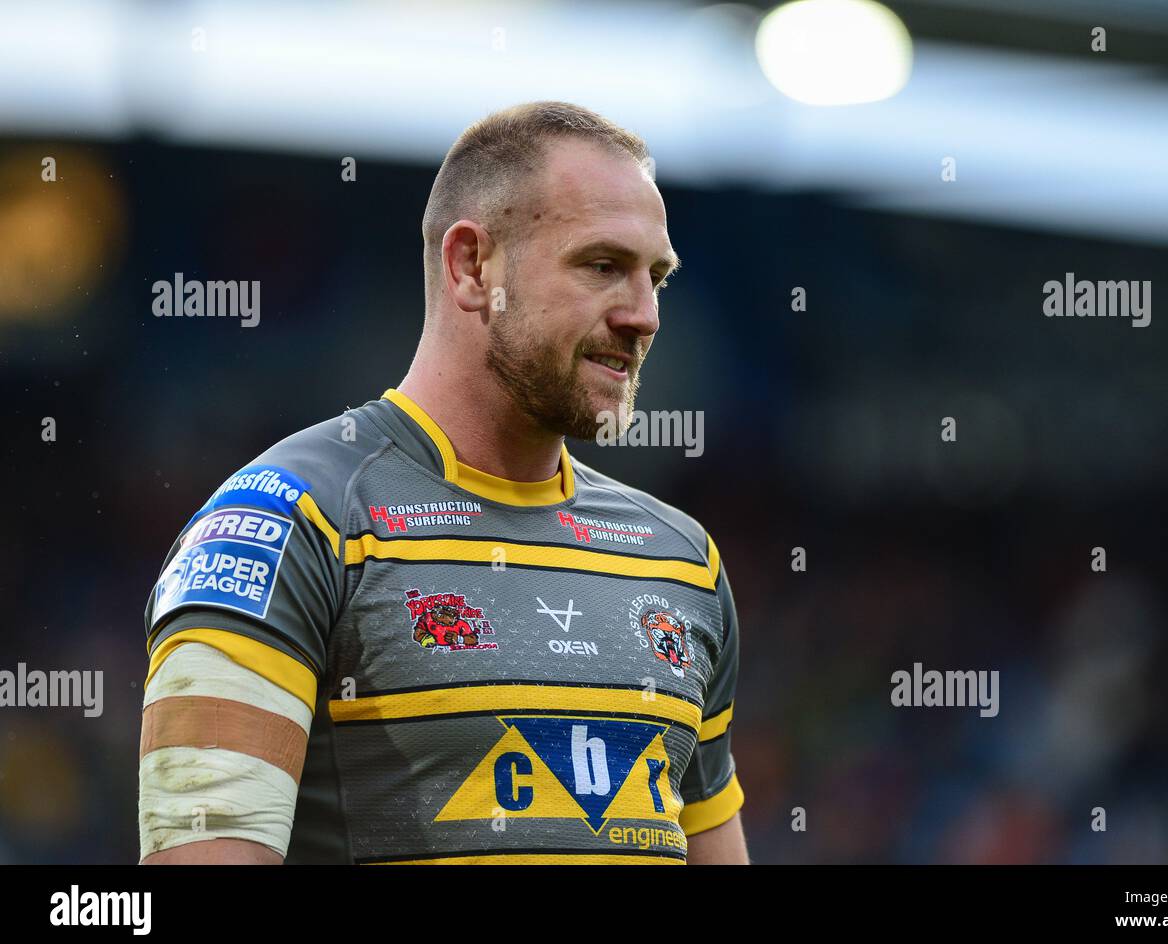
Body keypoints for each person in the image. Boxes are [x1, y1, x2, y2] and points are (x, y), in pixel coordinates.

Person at [139, 101, 747, 864]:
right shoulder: (283, 525)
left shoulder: (683, 560)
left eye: (656, 276)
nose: (646, 314)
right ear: (472, 267)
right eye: (602, 266)